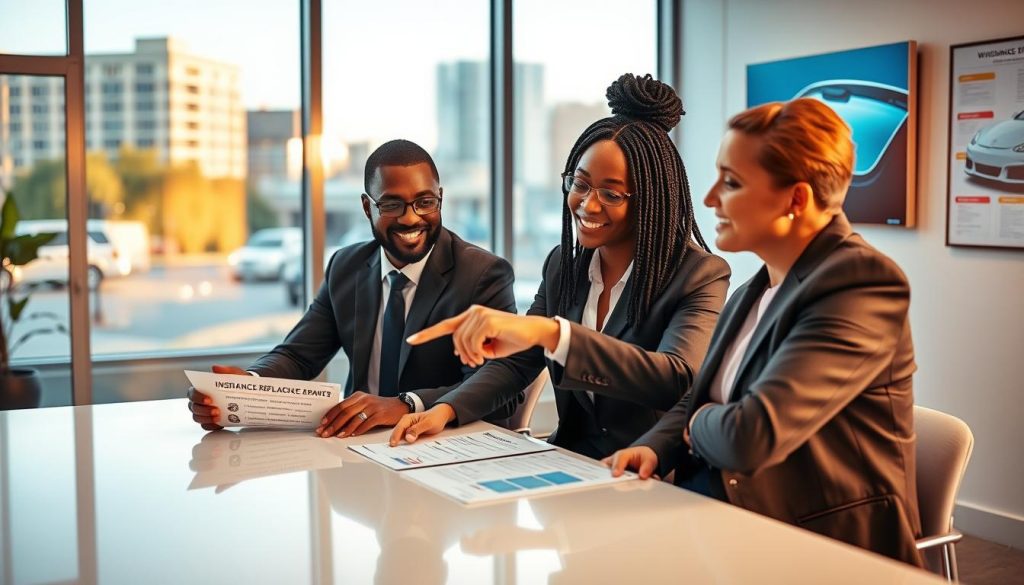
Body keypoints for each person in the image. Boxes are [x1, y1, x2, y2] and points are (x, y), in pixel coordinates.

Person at [606, 98, 922, 566]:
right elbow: (702, 399)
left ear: (796, 199)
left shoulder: (861, 283)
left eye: (731, 182)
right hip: (723, 519)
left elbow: (750, 436)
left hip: (817, 545)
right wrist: (655, 445)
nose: (710, 198)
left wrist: (697, 426)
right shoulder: (756, 286)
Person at [389, 74, 731, 460]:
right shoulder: (563, 266)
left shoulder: (699, 274)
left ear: (650, 200)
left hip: (649, 474)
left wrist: (557, 335)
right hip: (570, 463)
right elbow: (518, 363)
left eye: (612, 193)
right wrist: (445, 410)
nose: (588, 204)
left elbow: (674, 377)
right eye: (580, 184)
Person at [187, 139, 517, 436]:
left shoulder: (482, 274)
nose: (410, 218)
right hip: (357, 450)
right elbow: (299, 356)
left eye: (425, 202)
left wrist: (405, 404)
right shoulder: (346, 267)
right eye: (391, 205)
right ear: (366, 207)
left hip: (445, 447)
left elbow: (500, 388)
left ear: (440, 199)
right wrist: (247, 390)